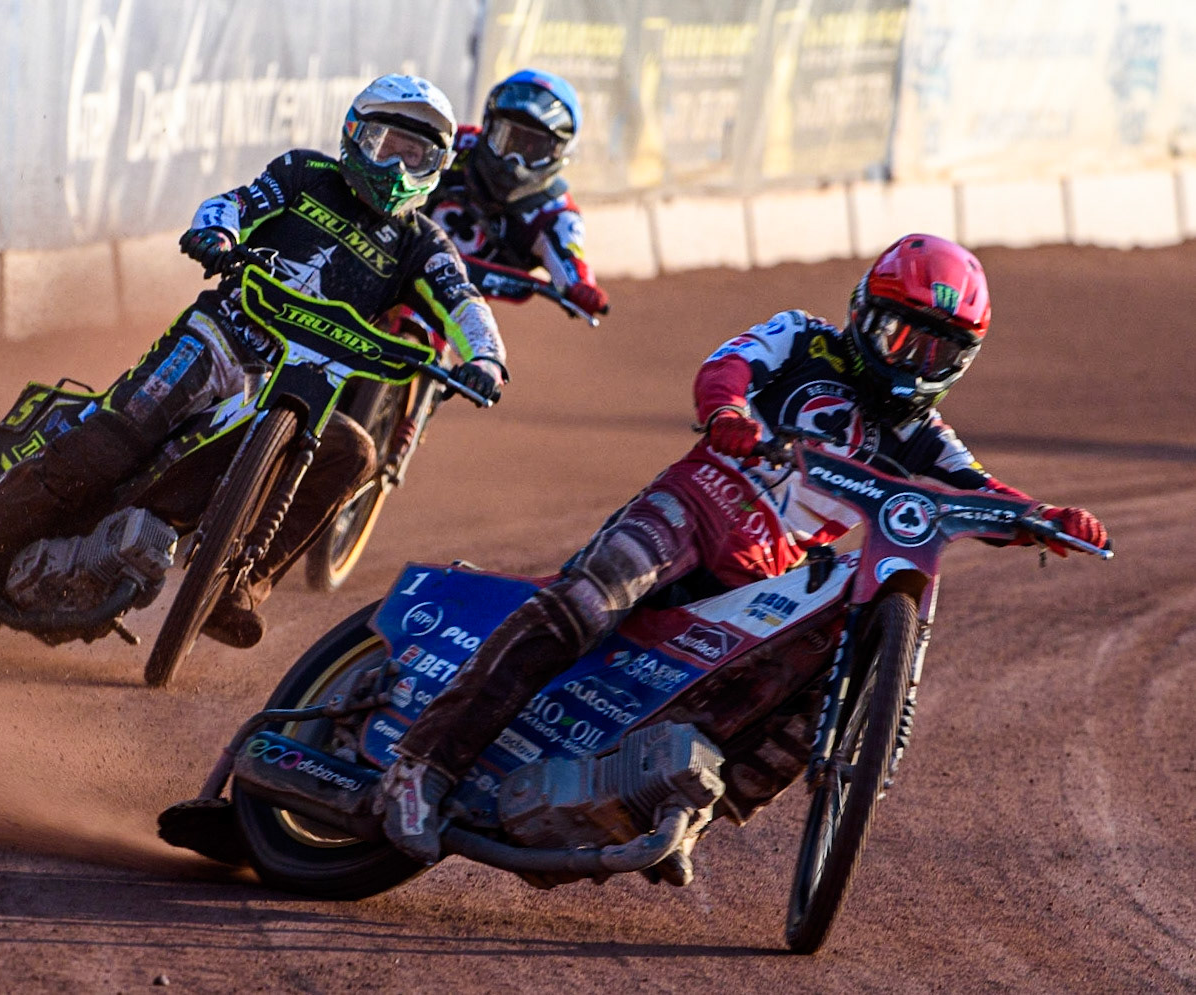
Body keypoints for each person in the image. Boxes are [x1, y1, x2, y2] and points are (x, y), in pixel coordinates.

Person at [378, 233, 1109, 864]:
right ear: (864, 312)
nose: (912, 359)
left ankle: (681, 806)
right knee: (590, 600)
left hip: (766, 578)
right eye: (899, 335)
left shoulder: (925, 435)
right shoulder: (802, 337)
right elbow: (727, 367)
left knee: (810, 682)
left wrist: (1046, 517)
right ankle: (421, 767)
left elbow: (978, 491)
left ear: (960, 360)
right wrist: (727, 411)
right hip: (700, 501)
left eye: (936, 349)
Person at [0, 74, 507, 648]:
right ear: (354, 136)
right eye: (385, 146)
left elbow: (464, 301)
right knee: (106, 447)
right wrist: (216, 234)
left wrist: (486, 357)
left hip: (297, 384)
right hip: (219, 338)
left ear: (436, 167)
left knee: (355, 451)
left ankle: (238, 587)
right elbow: (235, 203)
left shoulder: (422, 244)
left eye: (414, 156)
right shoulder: (305, 173)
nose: (395, 168)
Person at [423, 68, 609, 317]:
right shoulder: (455, 145)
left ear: (560, 154)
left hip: (455, 308)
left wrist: (582, 288)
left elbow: (569, 261)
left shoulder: (555, 214)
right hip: (392, 258)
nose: (513, 161)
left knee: (479, 338)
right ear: (487, 127)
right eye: (506, 139)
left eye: (534, 150)